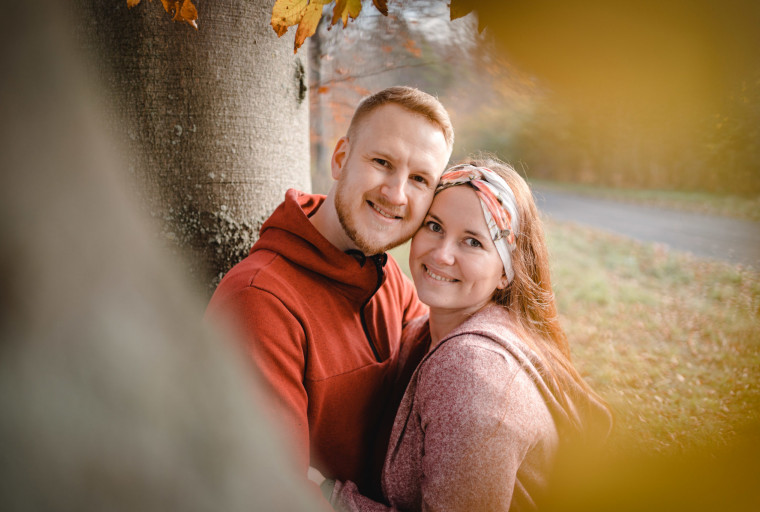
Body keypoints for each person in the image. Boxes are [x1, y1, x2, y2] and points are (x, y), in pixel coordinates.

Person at [205, 86, 454, 505]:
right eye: (382, 162)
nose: (395, 194)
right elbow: (271, 496)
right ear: (340, 159)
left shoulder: (387, 276)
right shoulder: (258, 302)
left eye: (419, 179)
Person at [323, 158, 613, 511]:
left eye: (473, 242)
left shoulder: (470, 370)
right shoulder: (433, 331)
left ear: (506, 272)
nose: (441, 254)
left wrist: (326, 498)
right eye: (434, 226)